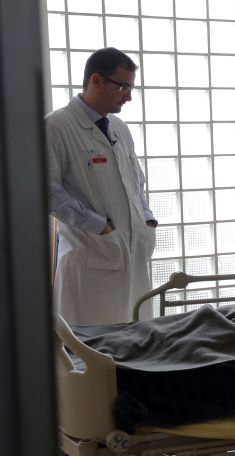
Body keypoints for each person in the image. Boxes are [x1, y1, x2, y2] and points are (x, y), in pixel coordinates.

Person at [47, 47, 157, 327]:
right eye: (122, 86)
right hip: (92, 256)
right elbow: (47, 191)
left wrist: (147, 219)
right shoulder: (56, 127)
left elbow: (136, 180)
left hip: (132, 252)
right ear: (96, 80)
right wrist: (99, 226)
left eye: (131, 87)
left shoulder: (119, 127)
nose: (129, 95)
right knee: (93, 348)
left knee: (138, 338)